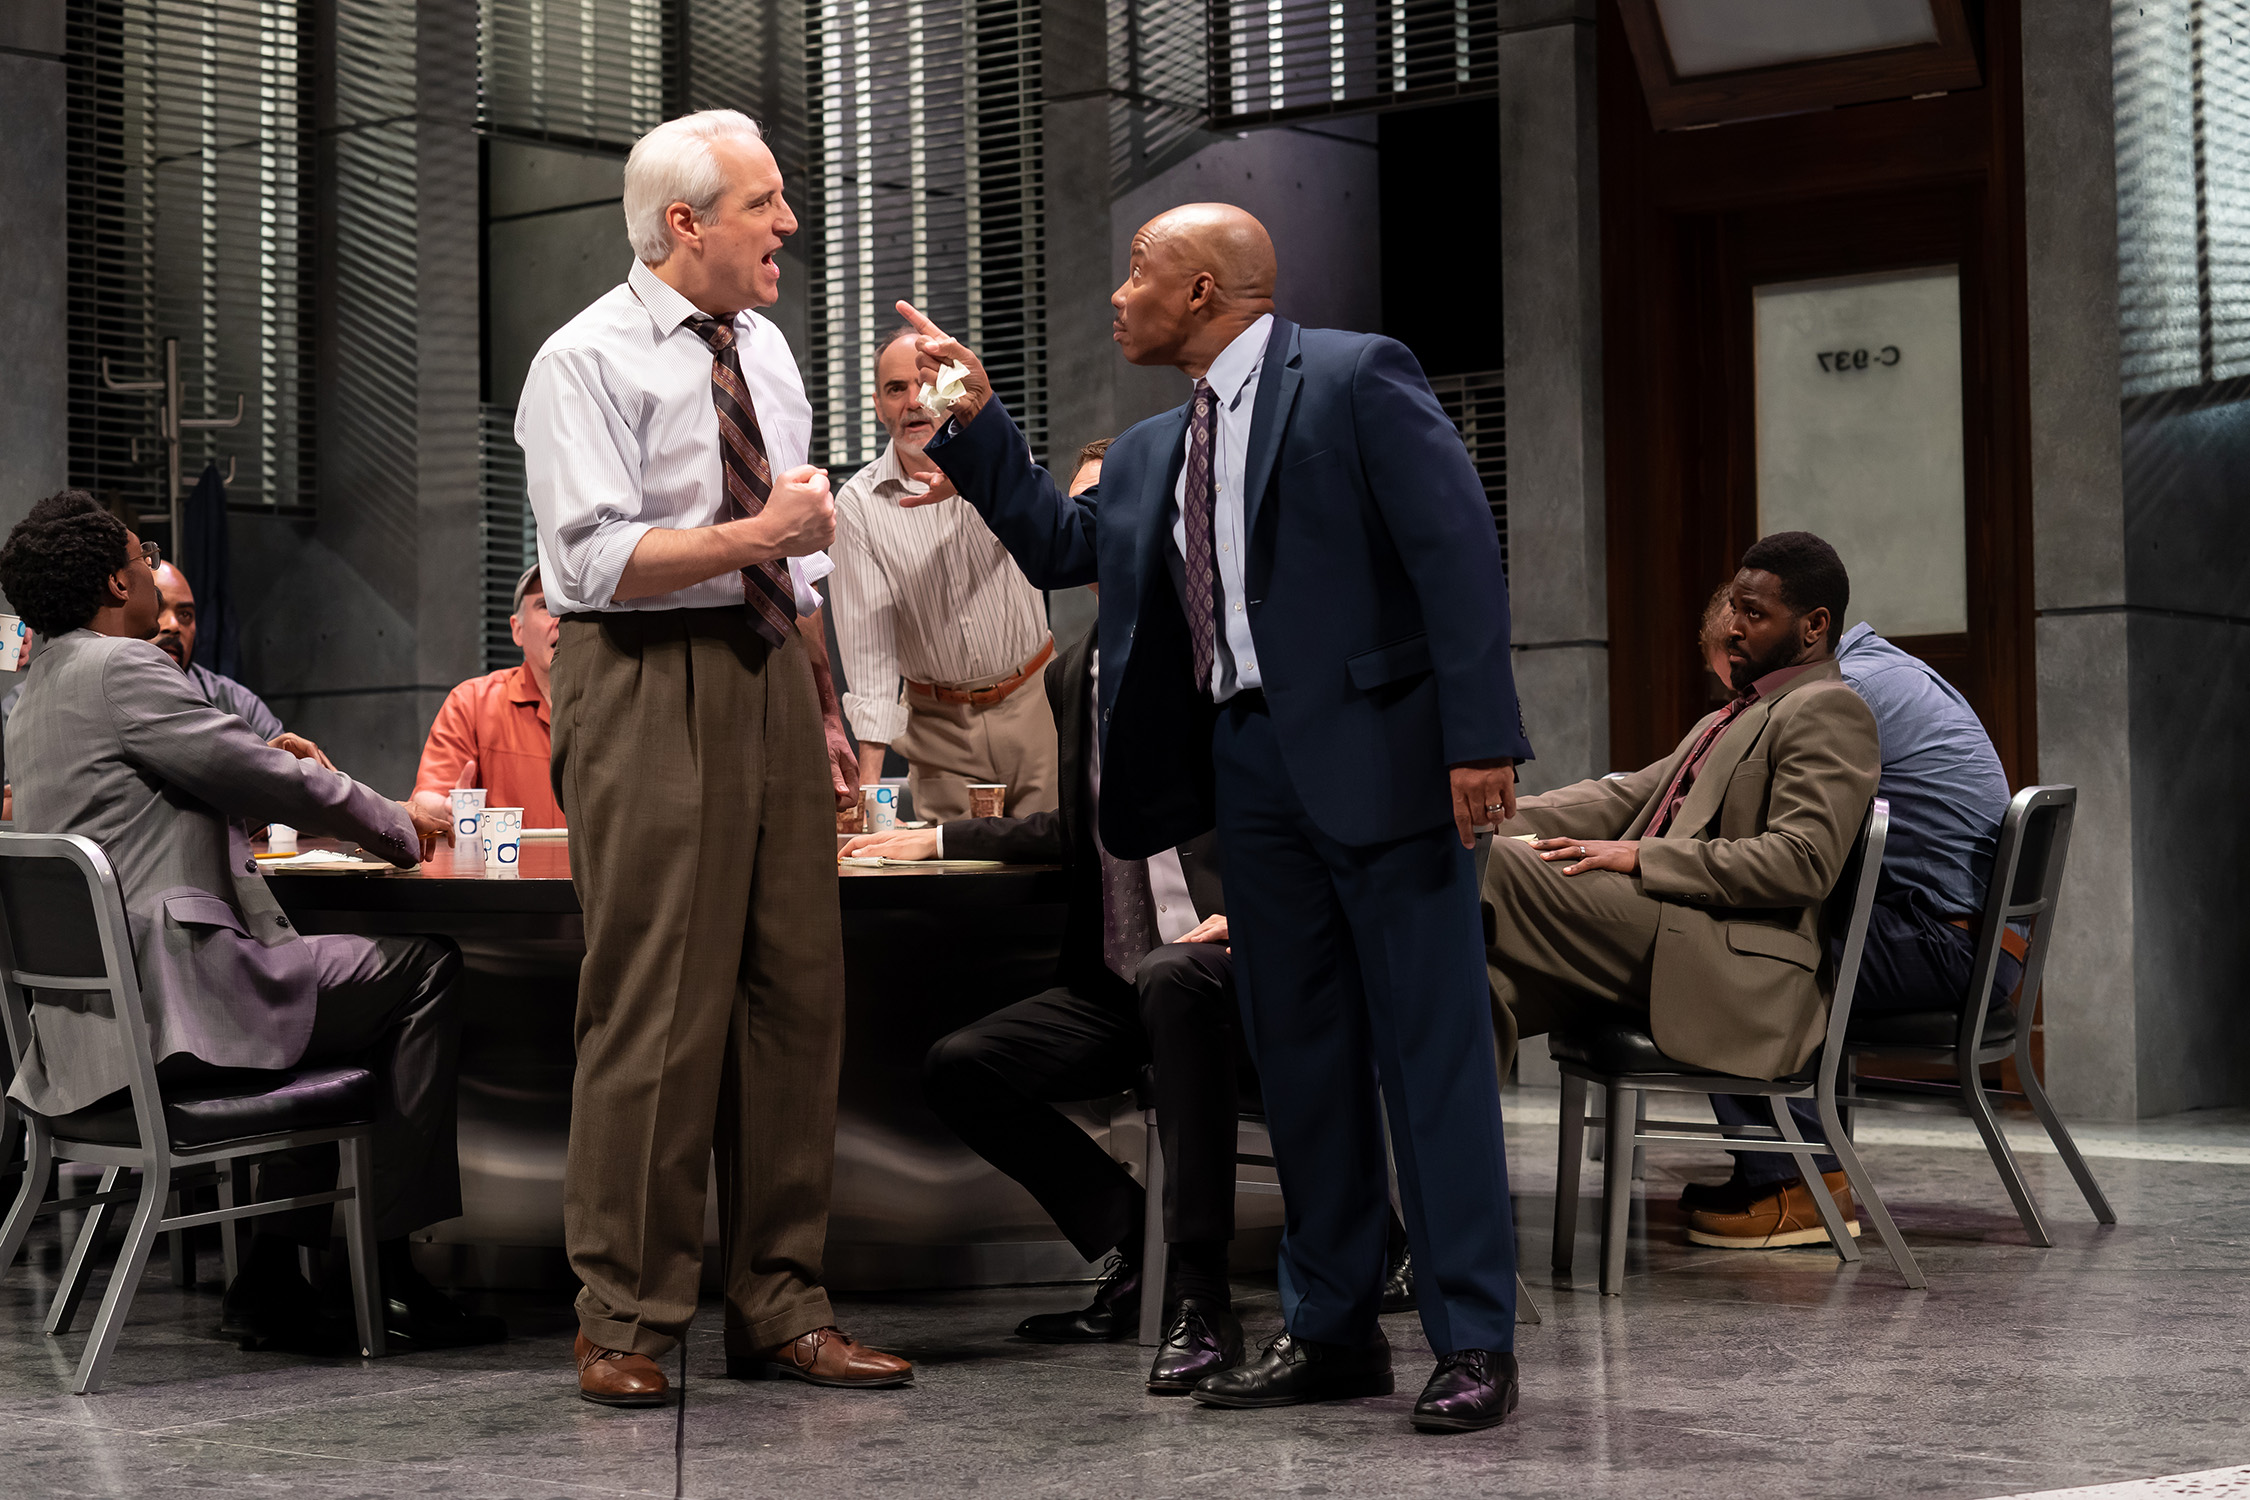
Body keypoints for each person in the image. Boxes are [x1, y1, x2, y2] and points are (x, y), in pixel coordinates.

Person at [897, 200, 1533, 1433]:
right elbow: (1050, 544)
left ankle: (1472, 1339)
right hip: (1248, 774)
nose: (1117, 295)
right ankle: (1333, 1329)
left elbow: (1457, 548)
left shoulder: (1355, 377)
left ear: (1202, 292)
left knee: (1428, 1056)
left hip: (1386, 764)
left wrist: (1480, 737)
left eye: (1139, 271)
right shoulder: (1147, 453)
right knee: (1301, 1063)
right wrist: (971, 422)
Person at [515, 107, 907, 1409]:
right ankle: (624, 1316)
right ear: (685, 224)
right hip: (641, 677)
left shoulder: (770, 348)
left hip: (764, 678)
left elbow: (796, 563)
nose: (786, 224)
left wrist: (825, 705)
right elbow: (588, 561)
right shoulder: (586, 359)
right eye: (763, 204)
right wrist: (756, 533)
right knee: (660, 1001)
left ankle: (782, 1304)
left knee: (799, 993)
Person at [0, 491, 499, 1353]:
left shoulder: (40, 688)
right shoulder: (127, 668)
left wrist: (263, 762)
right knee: (421, 968)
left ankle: (274, 1269)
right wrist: (394, 821)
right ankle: (384, 1272)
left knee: (331, 998)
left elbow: (193, 772)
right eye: (142, 553)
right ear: (122, 582)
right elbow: (279, 786)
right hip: (174, 1008)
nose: (153, 569)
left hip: (83, 1037)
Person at [848, 445, 1251, 1395]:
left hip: (1232, 967)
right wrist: (940, 842)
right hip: (1125, 980)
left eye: (1102, 511)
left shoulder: (1218, 652)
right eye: (1076, 514)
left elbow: (1280, 801)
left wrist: (1255, 910)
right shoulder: (1078, 674)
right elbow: (1086, 825)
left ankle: (1205, 1296)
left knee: (1178, 988)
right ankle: (1132, 1247)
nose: (1083, 531)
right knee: (965, 1066)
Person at [1482, 531, 1881, 1226]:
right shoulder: (1734, 712)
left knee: (1486, 867)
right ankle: (1439, 1223)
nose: (1731, 625)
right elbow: (1615, 798)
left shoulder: (1828, 709)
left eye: (1754, 613)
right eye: (1733, 606)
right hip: (1662, 928)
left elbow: (1804, 860)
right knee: (1469, 985)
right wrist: (1487, 813)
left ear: (1815, 626)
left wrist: (1643, 858)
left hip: (1733, 959)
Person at [1684, 611, 2027, 1248]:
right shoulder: (1881, 670)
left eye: (1738, 682)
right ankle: (1801, 1173)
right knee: (1765, 936)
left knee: (1733, 957)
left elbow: (1749, 829)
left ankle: (1792, 1188)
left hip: (1946, 944)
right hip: (1972, 939)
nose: (1740, 700)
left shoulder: (1843, 699)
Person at [829, 327, 1060, 823]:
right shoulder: (857, 506)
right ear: (877, 404)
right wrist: (869, 794)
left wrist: (973, 472)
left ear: (949, 388)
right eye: (895, 389)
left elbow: (1057, 542)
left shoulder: (999, 462)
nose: (912, 401)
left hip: (1036, 704)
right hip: (937, 730)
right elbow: (869, 651)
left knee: (1060, 878)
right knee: (957, 885)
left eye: (924, 383)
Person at [2, 558, 330, 764]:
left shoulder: (232, 700)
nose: (173, 625)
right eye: (160, 608)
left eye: (186, 614)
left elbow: (289, 782)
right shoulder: (42, 701)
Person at [409, 564, 566, 829]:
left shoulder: (618, 707)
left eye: (573, 609)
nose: (563, 620)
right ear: (517, 630)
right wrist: (446, 809)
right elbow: (427, 798)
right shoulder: (471, 701)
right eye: (548, 606)